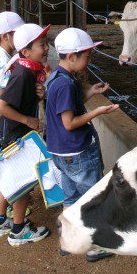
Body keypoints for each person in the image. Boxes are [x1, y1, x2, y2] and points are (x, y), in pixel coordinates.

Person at [45, 28, 119, 262]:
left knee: (71, 198)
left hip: (61, 152)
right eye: (87, 55)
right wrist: (98, 111)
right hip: (78, 152)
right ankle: (96, 246)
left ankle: (67, 241)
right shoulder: (66, 85)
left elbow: (65, 109)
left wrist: (89, 93)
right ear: (72, 56)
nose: (89, 60)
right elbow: (69, 122)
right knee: (93, 198)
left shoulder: (57, 77)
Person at [0, 23, 51, 246]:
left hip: (13, 131)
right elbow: (1, 106)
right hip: (17, 134)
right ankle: (18, 229)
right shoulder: (24, 74)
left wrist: (40, 93)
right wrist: (28, 121)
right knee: (22, 181)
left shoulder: (27, 69)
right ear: (25, 52)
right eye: (41, 45)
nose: (46, 49)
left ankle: (0, 221)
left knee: (9, 177)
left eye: (46, 43)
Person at [0, 11, 25, 163]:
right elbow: (1, 100)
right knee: (4, 159)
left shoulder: (7, 55)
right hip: (0, 121)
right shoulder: (4, 61)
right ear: (5, 36)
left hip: (0, 118)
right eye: (18, 34)